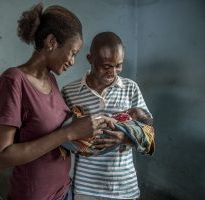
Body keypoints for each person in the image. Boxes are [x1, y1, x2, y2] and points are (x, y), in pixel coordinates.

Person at [0, 3, 108, 200]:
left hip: (63, 192)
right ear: (51, 42)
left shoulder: (51, 80)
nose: (72, 61)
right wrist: (69, 132)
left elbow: (50, 133)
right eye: (72, 52)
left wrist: (84, 133)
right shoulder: (13, 81)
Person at [61, 31, 153, 200]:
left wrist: (123, 138)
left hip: (124, 188)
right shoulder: (70, 92)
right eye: (106, 66)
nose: (113, 72)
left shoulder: (130, 88)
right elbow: (61, 135)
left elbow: (149, 134)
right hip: (85, 188)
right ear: (90, 59)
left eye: (118, 65)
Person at [60, 107, 154, 156]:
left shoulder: (132, 87)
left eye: (130, 113)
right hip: (83, 179)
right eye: (128, 110)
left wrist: (126, 137)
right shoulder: (69, 90)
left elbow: (147, 136)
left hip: (123, 180)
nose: (126, 111)